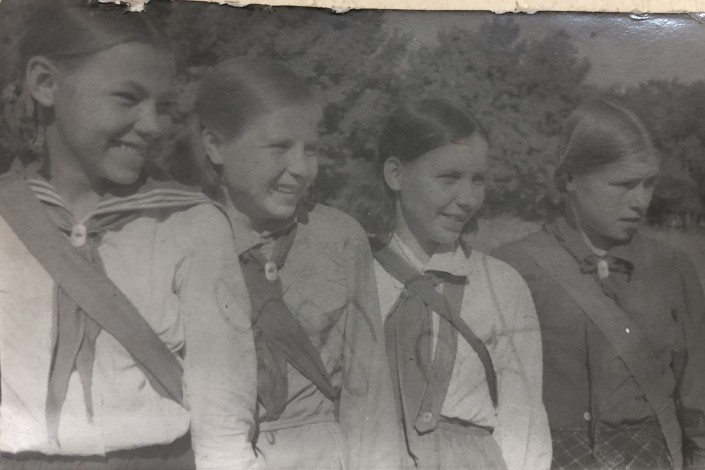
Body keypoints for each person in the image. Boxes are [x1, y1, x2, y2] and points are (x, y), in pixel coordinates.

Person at [0, 2, 258, 469]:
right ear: (45, 83)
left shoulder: (190, 223)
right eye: (127, 98)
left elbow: (223, 409)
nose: (153, 125)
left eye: (162, 107)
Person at [190, 57, 400, 469]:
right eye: (278, 147)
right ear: (215, 145)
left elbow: (369, 395)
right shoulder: (181, 237)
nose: (302, 169)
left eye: (311, 149)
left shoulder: (339, 237)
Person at [493, 99, 705, 470]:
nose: (640, 201)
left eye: (649, 184)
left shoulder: (672, 269)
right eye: (623, 184)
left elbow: (699, 401)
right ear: (570, 178)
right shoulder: (513, 268)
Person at [346, 97, 551, 469]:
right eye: (449, 178)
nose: (468, 198)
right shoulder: (353, 274)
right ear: (396, 174)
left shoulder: (501, 285)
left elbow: (524, 422)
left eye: (478, 180)